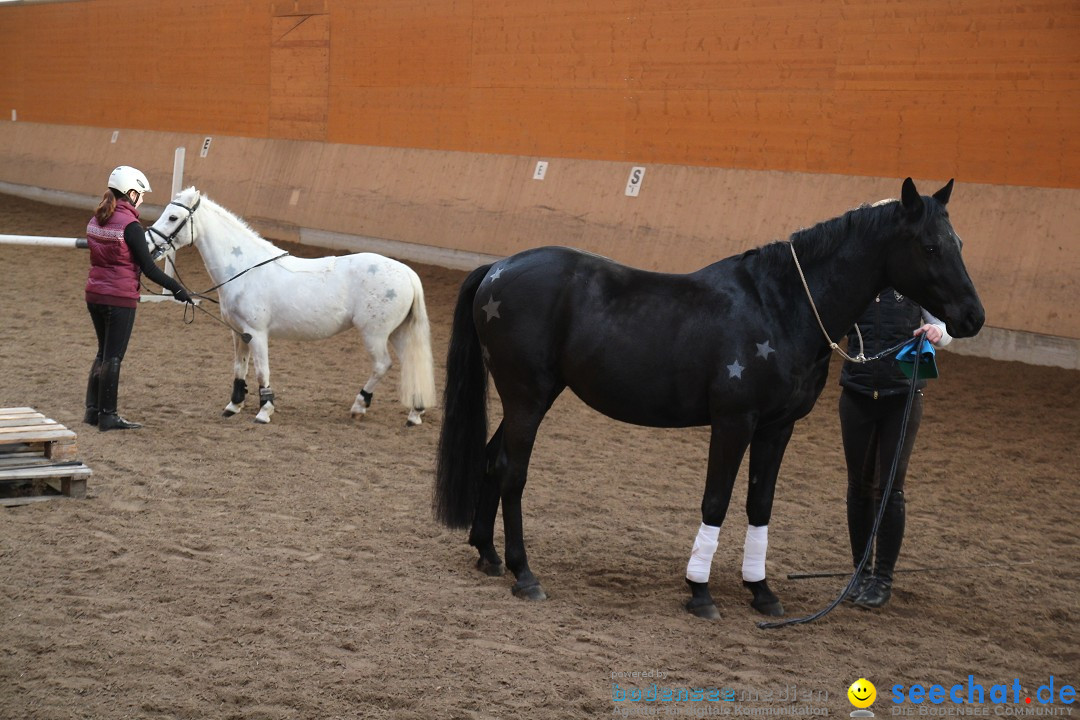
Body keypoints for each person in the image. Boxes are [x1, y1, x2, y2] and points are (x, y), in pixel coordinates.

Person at [840, 288, 951, 608]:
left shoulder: (915, 283)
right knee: (857, 486)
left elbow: (945, 331)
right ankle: (860, 572)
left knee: (889, 487)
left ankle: (882, 578)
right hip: (856, 393)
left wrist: (936, 332)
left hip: (902, 397)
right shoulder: (858, 281)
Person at [83, 165, 192, 431]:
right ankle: (108, 416)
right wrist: (176, 288)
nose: (142, 199)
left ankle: (92, 411)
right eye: (140, 194)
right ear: (130, 193)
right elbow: (149, 268)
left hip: (94, 294)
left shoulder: (96, 219)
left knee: (102, 352)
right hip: (119, 298)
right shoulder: (131, 226)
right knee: (114, 357)